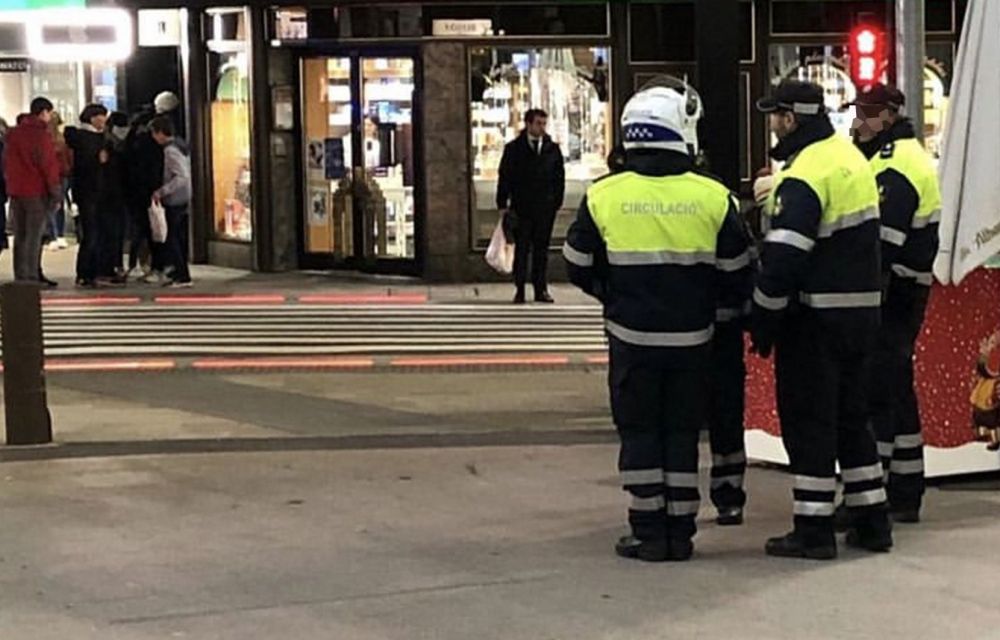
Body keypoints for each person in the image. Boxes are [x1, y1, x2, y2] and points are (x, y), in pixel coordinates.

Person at [563, 77, 752, 562]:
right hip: (693, 339)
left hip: (631, 339)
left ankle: (648, 530)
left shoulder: (604, 195)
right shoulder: (714, 197)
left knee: (640, 431)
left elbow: (577, 263)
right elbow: (738, 271)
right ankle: (681, 531)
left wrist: (614, 295)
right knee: (682, 432)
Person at [751, 80, 892, 560]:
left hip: (815, 320)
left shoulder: (807, 172)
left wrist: (763, 317)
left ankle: (813, 530)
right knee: (853, 419)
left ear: (790, 118)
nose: (773, 124)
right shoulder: (849, 158)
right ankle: (872, 521)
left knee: (809, 422)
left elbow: (785, 257)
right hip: (861, 315)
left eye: (775, 115)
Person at [851, 83, 941, 523]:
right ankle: (905, 488)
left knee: (878, 391)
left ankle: (877, 492)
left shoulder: (895, 164)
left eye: (867, 114)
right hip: (907, 286)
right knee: (896, 388)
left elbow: (882, 241)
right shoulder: (902, 157)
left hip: (894, 290)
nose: (858, 123)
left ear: (889, 115)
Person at [497, 108, 565, 304]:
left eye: (544, 124)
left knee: (541, 250)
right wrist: (502, 202)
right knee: (522, 249)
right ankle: (519, 288)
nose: (542, 128)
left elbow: (559, 177)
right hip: (522, 206)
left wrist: (556, 201)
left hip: (545, 207)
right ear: (528, 124)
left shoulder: (552, 149)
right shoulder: (514, 149)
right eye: (538, 123)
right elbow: (505, 176)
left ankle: (540, 288)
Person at [2, 98, 61, 283]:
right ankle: (31, 275)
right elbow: (47, 164)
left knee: (20, 235)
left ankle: (20, 275)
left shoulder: (13, 134)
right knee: (34, 236)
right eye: (49, 113)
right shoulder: (41, 135)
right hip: (36, 190)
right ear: (43, 112)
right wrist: (55, 190)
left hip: (16, 189)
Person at [124, 92, 180, 282]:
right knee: (157, 230)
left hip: (140, 188)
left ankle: (139, 264)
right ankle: (158, 265)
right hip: (152, 188)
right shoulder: (164, 142)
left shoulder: (138, 132)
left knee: (144, 229)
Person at [65, 103, 111, 288]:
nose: (104, 120)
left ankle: (92, 272)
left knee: (96, 233)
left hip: (95, 192)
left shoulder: (99, 137)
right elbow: (83, 167)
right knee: (90, 234)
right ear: (92, 118)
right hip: (88, 192)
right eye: (101, 116)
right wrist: (98, 160)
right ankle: (85, 273)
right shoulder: (85, 138)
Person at [150, 116, 192, 288]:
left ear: (161, 133)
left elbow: (181, 176)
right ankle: (179, 271)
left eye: (154, 133)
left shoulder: (170, 150)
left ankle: (182, 275)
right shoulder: (181, 145)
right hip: (184, 196)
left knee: (173, 237)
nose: (154, 137)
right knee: (179, 237)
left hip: (175, 198)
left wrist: (162, 191)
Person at [47, 112, 71, 252]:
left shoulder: (46, 139)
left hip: (52, 175)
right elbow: (68, 158)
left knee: (51, 206)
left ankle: (53, 236)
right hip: (62, 175)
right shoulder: (62, 139)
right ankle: (59, 234)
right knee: (59, 205)